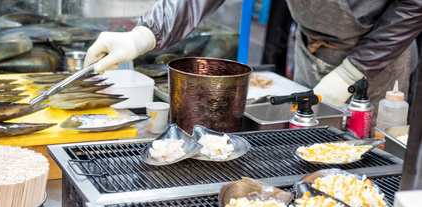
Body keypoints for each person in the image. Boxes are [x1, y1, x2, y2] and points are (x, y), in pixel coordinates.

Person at [84, 0, 422, 126]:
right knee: (308, 138)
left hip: (375, 60)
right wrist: (141, 36)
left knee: (365, 154)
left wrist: (352, 72)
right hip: (311, 49)